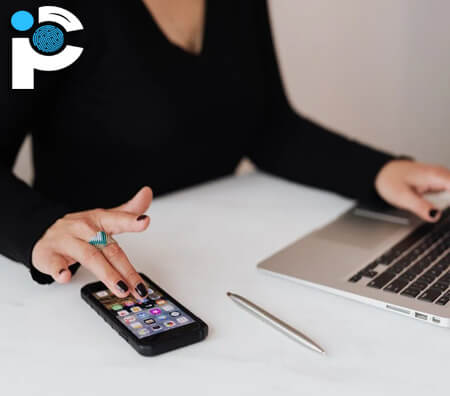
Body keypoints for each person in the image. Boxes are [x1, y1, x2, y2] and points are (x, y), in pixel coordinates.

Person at [1, 0, 449, 301]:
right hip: (91, 277)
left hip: (224, 261)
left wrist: (378, 171)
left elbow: (266, 123)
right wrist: (39, 228)